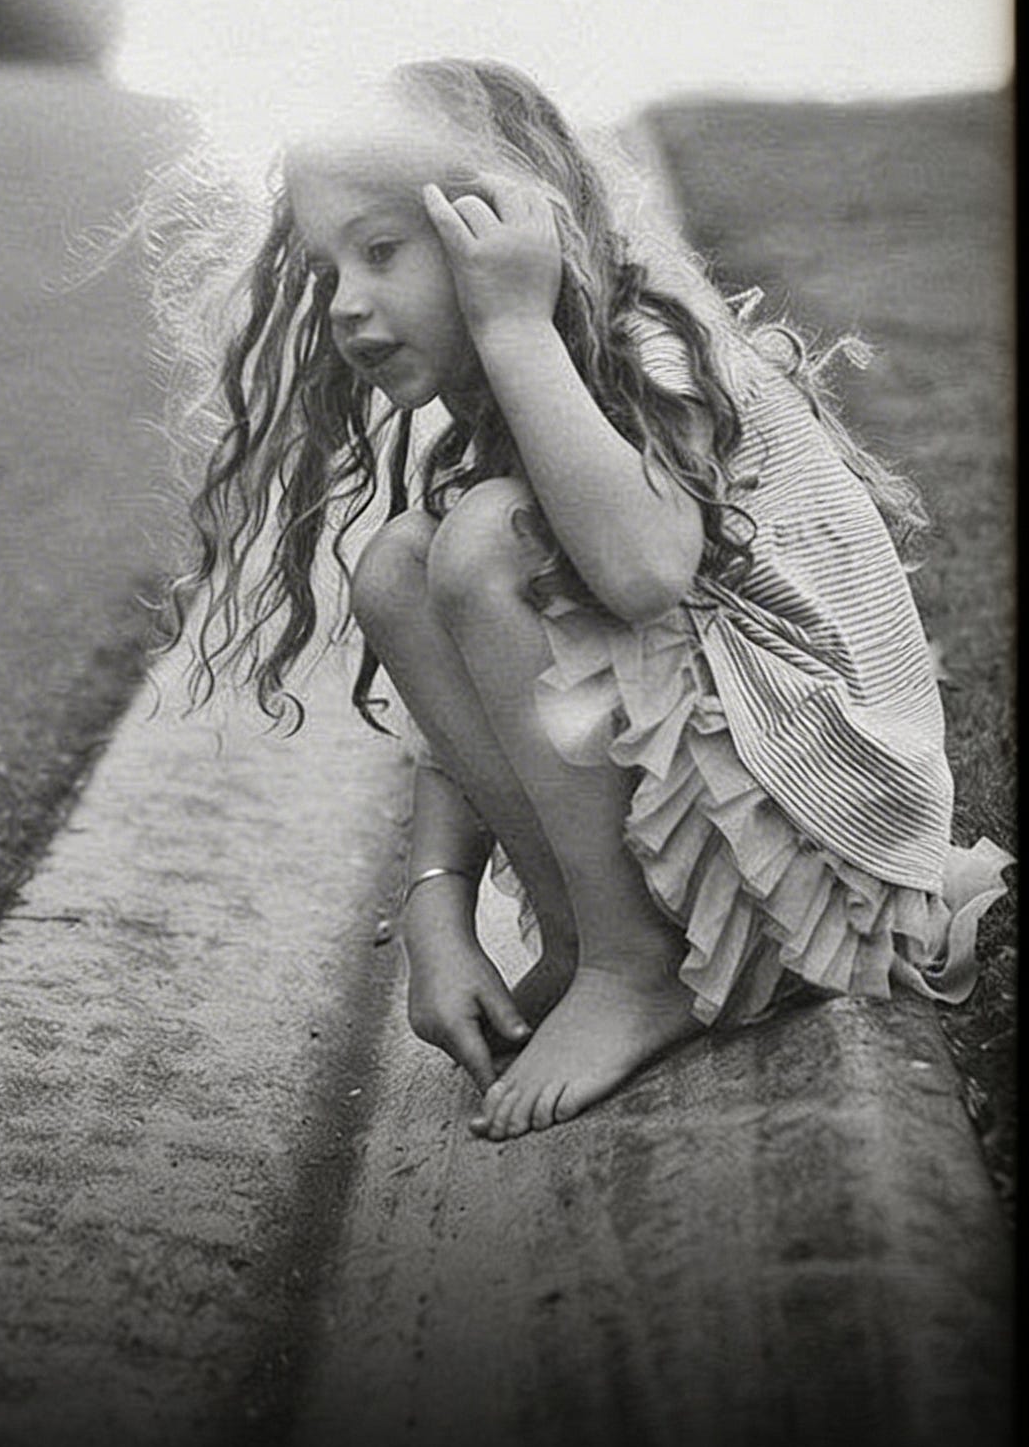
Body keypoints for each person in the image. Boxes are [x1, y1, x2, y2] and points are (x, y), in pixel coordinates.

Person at [142, 57, 1010, 1139]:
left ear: (499, 224)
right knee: (400, 564)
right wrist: (435, 905)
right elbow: (478, 675)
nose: (347, 305)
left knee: (484, 543)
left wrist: (511, 323)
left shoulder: (642, 344)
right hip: (750, 823)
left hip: (825, 851)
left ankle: (632, 963)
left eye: (380, 251)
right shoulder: (520, 385)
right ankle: (589, 941)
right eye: (326, 271)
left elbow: (642, 572)